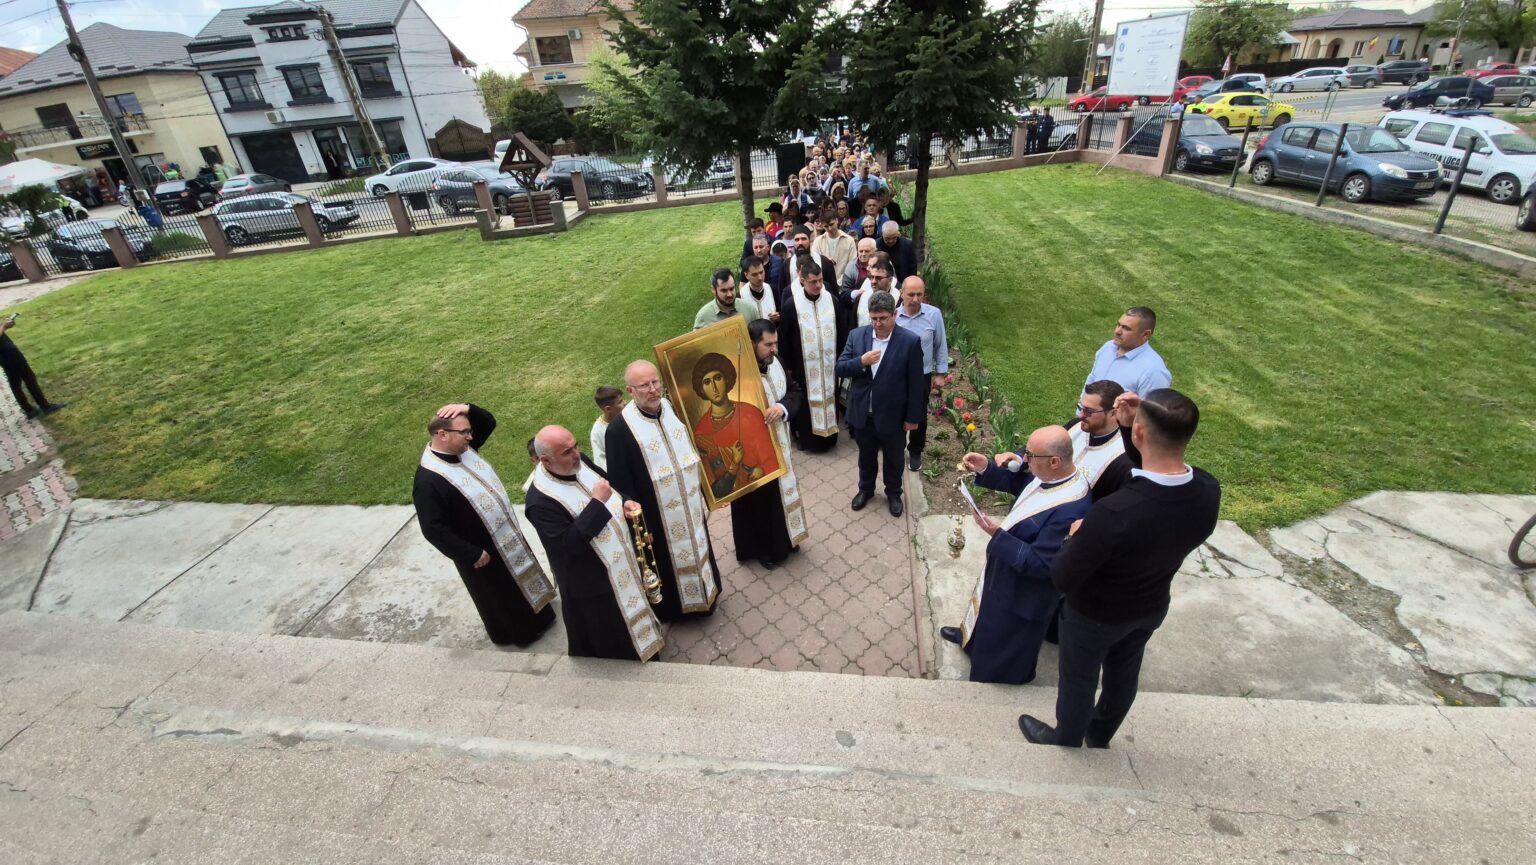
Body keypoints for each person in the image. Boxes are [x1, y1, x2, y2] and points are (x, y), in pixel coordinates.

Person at [1019, 389, 1222, 749]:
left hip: (1094, 614)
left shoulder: (1114, 514)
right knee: (1123, 674)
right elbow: (1151, 473)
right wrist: (1131, 430)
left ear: (1141, 433)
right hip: (1150, 605)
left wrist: (1073, 537)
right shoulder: (1207, 490)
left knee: (1079, 679)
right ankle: (1100, 733)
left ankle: (1066, 736)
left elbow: (1063, 575)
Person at [943, 426, 1092, 684]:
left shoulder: (1072, 507)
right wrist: (986, 469)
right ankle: (971, 642)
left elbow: (1043, 564)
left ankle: (990, 675)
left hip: (1025, 592)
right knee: (987, 610)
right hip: (1006, 569)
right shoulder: (1051, 476)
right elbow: (1022, 486)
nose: (1024, 459)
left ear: (1055, 461)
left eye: (1031, 455)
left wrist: (996, 535)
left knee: (1003, 632)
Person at [413, 402, 556, 647]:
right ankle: (520, 633)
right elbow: (433, 528)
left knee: (522, 581)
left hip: (504, 534)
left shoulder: (463, 450)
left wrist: (465, 407)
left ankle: (542, 615)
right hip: (480, 550)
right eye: (464, 432)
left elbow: (488, 422)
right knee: (501, 595)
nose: (470, 437)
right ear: (442, 435)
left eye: (469, 431)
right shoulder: (428, 480)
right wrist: (469, 553)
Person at [525, 425, 665, 662]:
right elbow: (568, 545)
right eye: (567, 452)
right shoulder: (540, 502)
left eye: (575, 445)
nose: (576, 454)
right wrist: (597, 504)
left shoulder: (580, 462)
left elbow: (608, 485)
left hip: (620, 558)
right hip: (595, 580)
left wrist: (625, 501)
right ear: (545, 460)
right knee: (615, 633)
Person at [604, 360, 721, 620]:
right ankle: (680, 611)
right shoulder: (619, 431)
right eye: (644, 386)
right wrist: (635, 513)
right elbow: (620, 483)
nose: (653, 389)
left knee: (699, 545)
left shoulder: (669, 407)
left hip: (689, 504)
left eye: (655, 382)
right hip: (658, 518)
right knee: (668, 564)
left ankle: (708, 592)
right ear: (631, 391)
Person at [835, 292, 924, 516]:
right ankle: (865, 490)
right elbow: (840, 367)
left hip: (893, 417)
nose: (877, 323)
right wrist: (861, 361)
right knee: (866, 456)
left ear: (894, 314)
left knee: (894, 459)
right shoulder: (857, 336)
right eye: (873, 318)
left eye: (883, 318)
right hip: (864, 413)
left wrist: (913, 419)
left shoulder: (909, 342)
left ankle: (894, 493)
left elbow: (916, 385)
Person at [731, 319, 810, 569]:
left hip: (780, 443)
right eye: (768, 344)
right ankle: (764, 548)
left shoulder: (777, 362)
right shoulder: (738, 375)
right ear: (752, 344)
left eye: (775, 343)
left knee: (782, 494)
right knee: (761, 503)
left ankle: (787, 537)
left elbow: (795, 391)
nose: (774, 349)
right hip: (753, 455)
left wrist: (782, 407)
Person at [690, 352, 780, 499]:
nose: (714, 387)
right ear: (701, 389)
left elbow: (771, 456)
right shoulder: (701, 433)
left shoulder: (750, 413)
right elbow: (715, 490)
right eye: (707, 382)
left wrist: (762, 469)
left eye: (717, 378)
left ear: (726, 379)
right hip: (738, 499)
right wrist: (734, 464)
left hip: (766, 488)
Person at [776, 259, 841, 453]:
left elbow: (842, 332)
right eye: (813, 281)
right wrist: (787, 368)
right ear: (802, 280)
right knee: (805, 404)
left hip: (829, 366)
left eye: (820, 280)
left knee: (830, 396)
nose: (818, 285)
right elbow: (785, 340)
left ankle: (830, 438)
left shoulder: (832, 301)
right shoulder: (791, 306)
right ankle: (807, 440)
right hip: (802, 368)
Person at [894, 275, 948, 471]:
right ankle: (896, 446)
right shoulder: (894, 316)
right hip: (897, 375)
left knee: (919, 414)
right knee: (897, 411)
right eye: (911, 295)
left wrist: (941, 373)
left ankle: (915, 449)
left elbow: (940, 344)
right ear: (902, 294)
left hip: (921, 375)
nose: (915, 299)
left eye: (919, 294)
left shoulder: (934, 315)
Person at [1083, 306, 1171, 398]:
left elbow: (1150, 411)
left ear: (1145, 334)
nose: (1117, 331)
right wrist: (1081, 409)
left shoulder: (1153, 372)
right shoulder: (1108, 347)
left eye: (1126, 328)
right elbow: (1092, 378)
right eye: (1118, 325)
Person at [0, 317, 65, 420]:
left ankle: (29, 410)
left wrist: (4, 325)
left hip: (4, 353)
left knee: (14, 381)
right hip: (8, 352)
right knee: (28, 377)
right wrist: (3, 326)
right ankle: (45, 406)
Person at [1067, 380, 1127, 490]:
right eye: (1081, 407)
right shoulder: (1075, 425)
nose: (1081, 415)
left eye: (1089, 411)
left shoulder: (1121, 460)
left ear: (1113, 413)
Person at [693, 268, 759, 330]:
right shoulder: (703, 317)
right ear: (714, 290)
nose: (729, 294)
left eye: (731, 289)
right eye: (724, 290)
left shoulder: (749, 309)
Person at [812, 207, 857, 282]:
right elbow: (814, 262)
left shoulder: (849, 240)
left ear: (837, 220)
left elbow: (853, 264)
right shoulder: (818, 241)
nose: (829, 228)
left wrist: (840, 281)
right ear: (822, 225)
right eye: (826, 226)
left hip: (844, 283)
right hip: (823, 284)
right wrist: (825, 262)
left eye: (831, 224)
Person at [590, 385, 624, 470]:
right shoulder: (598, 432)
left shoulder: (628, 415)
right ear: (608, 409)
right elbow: (601, 462)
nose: (625, 402)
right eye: (620, 402)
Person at [740, 255, 779, 323]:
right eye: (754, 275)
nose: (760, 277)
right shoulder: (741, 296)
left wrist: (778, 317)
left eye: (761, 272)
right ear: (746, 275)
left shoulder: (772, 289)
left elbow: (780, 311)